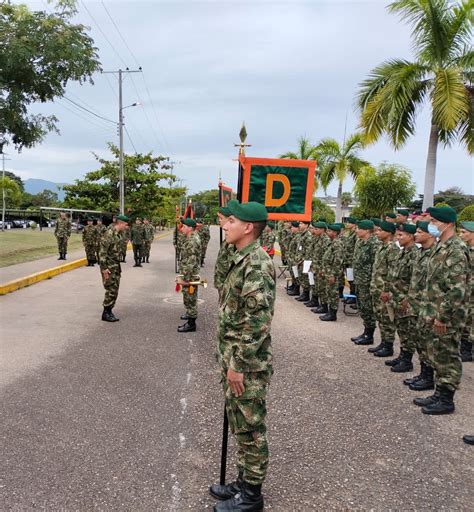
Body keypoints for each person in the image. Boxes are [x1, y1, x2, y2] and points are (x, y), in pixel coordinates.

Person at [209, 201, 275, 512]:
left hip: (246, 364)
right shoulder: (241, 257)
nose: (224, 225)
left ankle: (252, 496)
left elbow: (257, 323)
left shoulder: (257, 264)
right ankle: (242, 480)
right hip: (234, 357)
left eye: (231, 221)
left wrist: (237, 365)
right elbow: (221, 281)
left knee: (250, 428)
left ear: (248, 227)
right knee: (239, 424)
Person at [415, 206, 469, 415]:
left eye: (434, 221)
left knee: (447, 355)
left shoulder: (456, 249)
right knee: (437, 354)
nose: (431, 225)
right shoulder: (440, 246)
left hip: (447, 316)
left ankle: (447, 399)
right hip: (433, 311)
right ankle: (439, 393)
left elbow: (456, 289)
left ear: (446, 224)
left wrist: (443, 316)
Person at [403, 221, 437, 390]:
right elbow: (413, 279)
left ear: (430, 234)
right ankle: (424, 374)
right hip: (416, 303)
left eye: (419, 232)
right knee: (419, 340)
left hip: (427, 305)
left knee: (427, 343)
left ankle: (429, 377)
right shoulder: (421, 253)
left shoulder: (434, 254)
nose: (416, 234)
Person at [382, 223, 418, 372]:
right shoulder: (403, 252)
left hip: (405, 299)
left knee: (408, 330)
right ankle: (402, 356)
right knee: (401, 329)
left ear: (410, 236)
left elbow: (415, 279)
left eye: (401, 235)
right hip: (397, 297)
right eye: (397, 234)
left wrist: (408, 298)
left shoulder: (414, 254)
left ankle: (407, 360)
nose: (398, 238)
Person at [362, 221, 399, 351]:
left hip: (384, 290)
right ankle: (383, 342)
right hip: (377, 288)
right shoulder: (382, 247)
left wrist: (387, 290)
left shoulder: (392, 248)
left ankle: (388, 345)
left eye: (380, 231)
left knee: (387, 318)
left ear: (388, 233)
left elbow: (392, 272)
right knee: (381, 317)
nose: (377, 233)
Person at [351, 220, 378, 344]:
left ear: (367, 230)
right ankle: (366, 331)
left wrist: (373, 282)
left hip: (368, 282)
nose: (357, 231)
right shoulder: (360, 242)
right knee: (362, 307)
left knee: (368, 308)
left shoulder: (374, 244)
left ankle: (369, 335)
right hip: (359, 280)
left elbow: (376, 265)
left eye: (359, 228)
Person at [99, 215, 129, 322]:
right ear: (120, 223)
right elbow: (102, 253)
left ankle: (109, 310)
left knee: (114, 290)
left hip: (115, 266)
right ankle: (106, 312)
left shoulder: (118, 234)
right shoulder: (109, 234)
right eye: (125, 225)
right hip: (108, 267)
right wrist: (104, 269)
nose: (126, 227)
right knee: (111, 289)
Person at [178, 218, 202, 333]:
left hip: (190, 275)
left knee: (190, 298)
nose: (181, 228)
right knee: (188, 297)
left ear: (190, 228)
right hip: (189, 273)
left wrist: (185, 279)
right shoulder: (190, 238)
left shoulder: (192, 241)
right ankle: (189, 314)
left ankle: (191, 324)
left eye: (183, 226)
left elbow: (191, 261)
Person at [319, 223, 345, 321]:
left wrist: (333, 275)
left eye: (329, 231)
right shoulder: (332, 242)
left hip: (333, 274)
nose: (327, 232)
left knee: (333, 293)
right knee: (329, 292)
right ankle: (330, 312)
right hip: (328, 272)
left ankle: (333, 314)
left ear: (335, 233)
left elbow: (337, 261)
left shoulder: (338, 244)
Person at [214, 202, 237, 299]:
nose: (219, 220)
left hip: (227, 285)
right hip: (222, 282)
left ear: (230, 219)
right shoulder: (228, 240)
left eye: (221, 218)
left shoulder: (233, 242)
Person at [459, 221, 473, 363]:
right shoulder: (464, 250)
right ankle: (465, 348)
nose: (461, 235)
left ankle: (468, 350)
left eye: (464, 232)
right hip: (466, 293)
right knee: (466, 320)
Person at [310, 221, 331, 313]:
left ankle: (324, 306)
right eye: (314, 228)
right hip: (316, 267)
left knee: (322, 288)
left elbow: (326, 257)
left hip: (322, 268)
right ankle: (319, 304)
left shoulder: (326, 240)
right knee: (318, 286)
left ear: (323, 230)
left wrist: (322, 269)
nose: (314, 230)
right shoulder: (318, 238)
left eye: (316, 229)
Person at [294, 220, 313, 303]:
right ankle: (304, 294)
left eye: (302, 223)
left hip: (305, 261)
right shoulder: (302, 235)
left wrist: (303, 260)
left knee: (305, 278)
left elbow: (308, 251)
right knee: (301, 277)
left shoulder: (308, 236)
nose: (299, 225)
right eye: (300, 223)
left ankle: (306, 295)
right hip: (300, 260)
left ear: (307, 225)